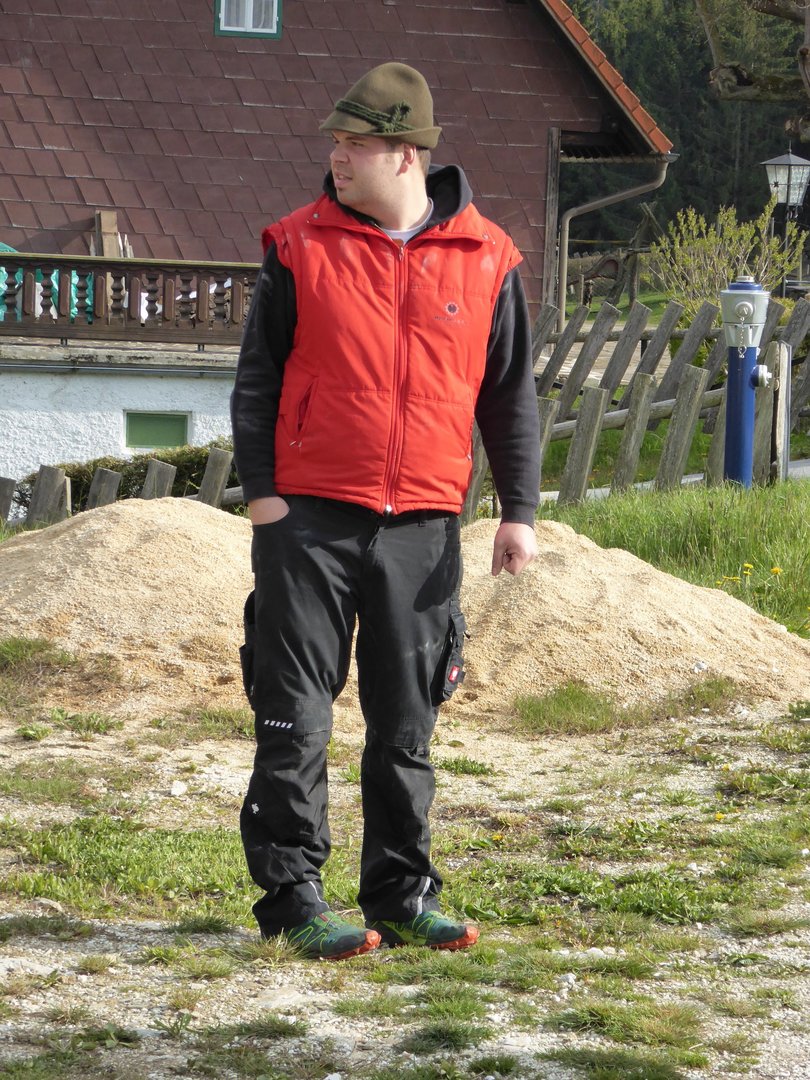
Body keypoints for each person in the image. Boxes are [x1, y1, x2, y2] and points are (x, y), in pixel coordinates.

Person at [231, 62, 541, 961]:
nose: (337, 156)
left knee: (408, 719)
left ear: (407, 154)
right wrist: (266, 498)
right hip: (308, 520)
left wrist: (518, 510)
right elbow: (257, 379)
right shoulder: (298, 245)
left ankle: (402, 896)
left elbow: (509, 396)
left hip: (424, 525)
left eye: (354, 144)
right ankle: (293, 900)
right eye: (336, 142)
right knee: (295, 711)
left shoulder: (488, 258)